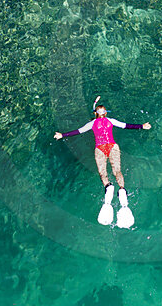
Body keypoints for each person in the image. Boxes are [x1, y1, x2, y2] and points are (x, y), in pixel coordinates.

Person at [55, 97, 151, 227]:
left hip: (100, 149)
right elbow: (126, 125)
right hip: (112, 146)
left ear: (95, 114)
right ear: (105, 113)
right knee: (117, 171)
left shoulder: (92, 124)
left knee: (102, 173)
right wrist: (142, 126)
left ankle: (108, 187)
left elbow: (77, 131)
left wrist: (62, 135)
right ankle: (122, 192)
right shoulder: (111, 121)